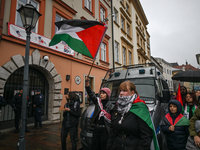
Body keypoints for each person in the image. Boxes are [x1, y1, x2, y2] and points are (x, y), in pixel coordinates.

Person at [107, 80, 157, 150]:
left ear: (132, 92)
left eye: (124, 91)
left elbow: (146, 136)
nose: (121, 93)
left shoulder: (140, 108)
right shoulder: (117, 107)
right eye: (120, 90)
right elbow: (112, 131)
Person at [85, 77, 113, 150]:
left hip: (105, 131)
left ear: (107, 95)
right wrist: (87, 85)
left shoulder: (111, 106)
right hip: (96, 129)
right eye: (101, 93)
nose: (101, 95)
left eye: (103, 93)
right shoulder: (98, 102)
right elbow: (91, 94)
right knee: (95, 146)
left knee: (103, 147)